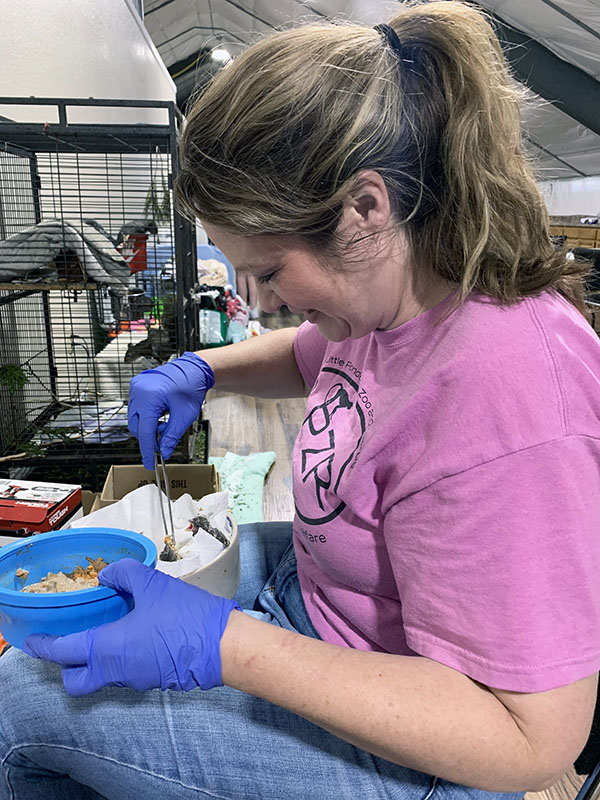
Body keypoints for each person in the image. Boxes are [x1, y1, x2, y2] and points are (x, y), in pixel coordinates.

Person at [1, 3, 599, 798]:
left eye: (272, 273)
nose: (264, 300)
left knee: (19, 709)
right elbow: (313, 355)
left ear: (364, 208)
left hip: (415, 751)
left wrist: (230, 648)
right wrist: (202, 370)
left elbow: (530, 741)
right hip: (320, 598)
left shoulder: (506, 399)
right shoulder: (394, 294)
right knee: (95, 600)